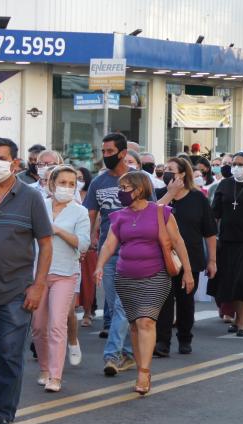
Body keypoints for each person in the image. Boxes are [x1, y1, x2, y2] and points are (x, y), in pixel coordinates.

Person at [0, 137, 52, 424]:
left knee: (9, 353)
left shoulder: (31, 197)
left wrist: (38, 285)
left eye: (1, 158)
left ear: (15, 163)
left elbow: (46, 244)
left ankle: (3, 412)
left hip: (17, 291)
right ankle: (0, 398)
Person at [94, 171, 194, 394]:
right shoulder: (119, 216)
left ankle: (144, 373)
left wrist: (188, 272)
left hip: (155, 276)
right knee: (134, 325)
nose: (120, 193)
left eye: (124, 188)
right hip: (125, 277)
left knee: (146, 322)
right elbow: (109, 245)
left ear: (139, 189)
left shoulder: (161, 212)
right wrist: (99, 265)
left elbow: (178, 242)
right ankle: (140, 366)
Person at [32, 166, 90, 392]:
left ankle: (55, 376)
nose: (67, 187)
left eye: (71, 184)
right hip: (38, 274)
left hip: (65, 273)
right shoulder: (39, 206)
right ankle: (44, 369)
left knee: (57, 324)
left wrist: (57, 230)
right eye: (62, 182)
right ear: (51, 184)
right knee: (38, 327)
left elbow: (83, 244)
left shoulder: (79, 212)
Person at [83, 132, 136, 377]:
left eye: (110, 152)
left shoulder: (138, 180)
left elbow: (153, 213)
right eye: (103, 151)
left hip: (134, 252)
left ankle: (112, 355)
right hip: (108, 251)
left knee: (122, 305)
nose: (105, 156)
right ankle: (129, 353)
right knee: (116, 308)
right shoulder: (98, 183)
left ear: (123, 153)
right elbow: (90, 216)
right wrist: (87, 243)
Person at [154, 157, 217, 355]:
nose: (166, 173)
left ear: (182, 174)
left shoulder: (198, 198)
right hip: (162, 258)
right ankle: (162, 342)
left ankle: (185, 338)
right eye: (165, 169)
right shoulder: (159, 195)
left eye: (171, 170)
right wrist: (170, 194)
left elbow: (209, 232)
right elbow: (151, 216)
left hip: (190, 257)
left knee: (185, 301)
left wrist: (212, 260)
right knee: (164, 301)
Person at [211, 151, 243, 336]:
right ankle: (235, 318)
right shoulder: (225, 184)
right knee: (230, 280)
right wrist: (212, 236)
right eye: (234, 164)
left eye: (240, 164)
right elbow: (215, 212)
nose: (236, 167)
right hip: (226, 240)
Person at [76, 167, 98, 328]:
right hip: (70, 241)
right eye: (75, 177)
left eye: (81, 178)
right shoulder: (68, 195)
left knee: (88, 279)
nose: (78, 181)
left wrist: (92, 236)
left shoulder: (90, 195)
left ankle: (88, 312)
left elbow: (97, 216)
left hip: (89, 241)